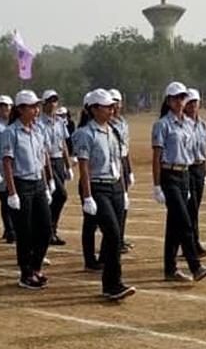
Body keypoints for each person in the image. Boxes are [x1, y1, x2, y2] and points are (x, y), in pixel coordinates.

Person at [73, 88, 136, 301]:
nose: (112, 110)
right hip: (98, 188)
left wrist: (124, 188)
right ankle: (113, 283)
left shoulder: (114, 130)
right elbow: (84, 166)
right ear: (94, 109)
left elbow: (119, 161)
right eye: (107, 107)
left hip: (115, 186)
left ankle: (110, 283)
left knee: (115, 236)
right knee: (112, 234)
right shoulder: (85, 134)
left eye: (112, 106)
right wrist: (88, 196)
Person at [152, 81, 206, 283]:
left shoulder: (189, 124)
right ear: (169, 101)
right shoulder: (162, 125)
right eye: (176, 98)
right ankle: (195, 266)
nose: (180, 102)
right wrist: (156, 186)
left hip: (185, 175)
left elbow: (193, 151)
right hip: (169, 175)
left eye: (182, 98)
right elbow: (157, 157)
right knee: (185, 221)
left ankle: (169, 269)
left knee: (174, 225)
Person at [1, 90, 54, 290]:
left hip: (38, 183)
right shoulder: (11, 132)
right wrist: (12, 192)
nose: (36, 110)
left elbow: (42, 158)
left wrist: (47, 183)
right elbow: (7, 163)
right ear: (21, 109)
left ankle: (36, 266)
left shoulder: (38, 131)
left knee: (46, 228)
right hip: (21, 184)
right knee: (25, 232)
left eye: (37, 106)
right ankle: (26, 273)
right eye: (32, 107)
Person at [183, 89, 206, 257]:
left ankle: (193, 242)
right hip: (188, 168)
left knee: (195, 207)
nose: (193, 105)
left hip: (200, 168)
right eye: (190, 102)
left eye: (195, 102)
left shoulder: (202, 125)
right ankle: (192, 244)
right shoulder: (182, 124)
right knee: (191, 207)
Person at [40, 90, 72, 246]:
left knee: (57, 198)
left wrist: (68, 165)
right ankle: (47, 231)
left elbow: (63, 144)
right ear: (43, 103)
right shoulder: (39, 123)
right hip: (47, 162)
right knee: (60, 195)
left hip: (59, 161)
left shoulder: (60, 122)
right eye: (50, 101)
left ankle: (52, 231)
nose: (53, 104)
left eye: (55, 101)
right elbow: (43, 149)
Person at [110, 89, 134, 253]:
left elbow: (126, 148)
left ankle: (120, 237)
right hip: (114, 163)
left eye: (117, 102)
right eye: (112, 102)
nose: (116, 106)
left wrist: (130, 170)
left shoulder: (123, 122)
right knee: (117, 204)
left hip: (123, 162)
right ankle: (114, 240)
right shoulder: (108, 124)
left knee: (124, 205)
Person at [0, 95, 16, 244]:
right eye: (2, 106)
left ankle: (11, 229)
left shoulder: (13, 126)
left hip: (14, 169)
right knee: (5, 200)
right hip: (0, 169)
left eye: (7, 106)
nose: (5, 109)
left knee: (12, 199)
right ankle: (9, 229)